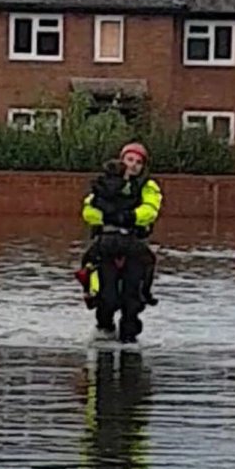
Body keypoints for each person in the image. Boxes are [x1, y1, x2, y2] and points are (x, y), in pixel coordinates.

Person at [81, 142, 162, 342]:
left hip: (133, 245)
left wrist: (129, 217)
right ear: (121, 160)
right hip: (107, 245)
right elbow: (88, 211)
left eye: (138, 162)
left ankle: (129, 337)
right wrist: (109, 218)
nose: (133, 165)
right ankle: (104, 327)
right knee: (106, 296)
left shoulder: (147, 186)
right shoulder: (103, 183)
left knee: (132, 299)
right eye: (130, 160)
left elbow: (150, 211)